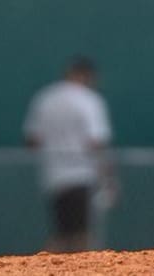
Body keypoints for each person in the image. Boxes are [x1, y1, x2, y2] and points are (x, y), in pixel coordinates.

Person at [23, 56, 118, 252]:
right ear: (87, 76)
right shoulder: (89, 100)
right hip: (81, 174)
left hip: (53, 176)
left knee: (64, 231)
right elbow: (97, 141)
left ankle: (43, 266)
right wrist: (108, 178)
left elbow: (33, 140)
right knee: (80, 235)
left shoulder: (46, 98)